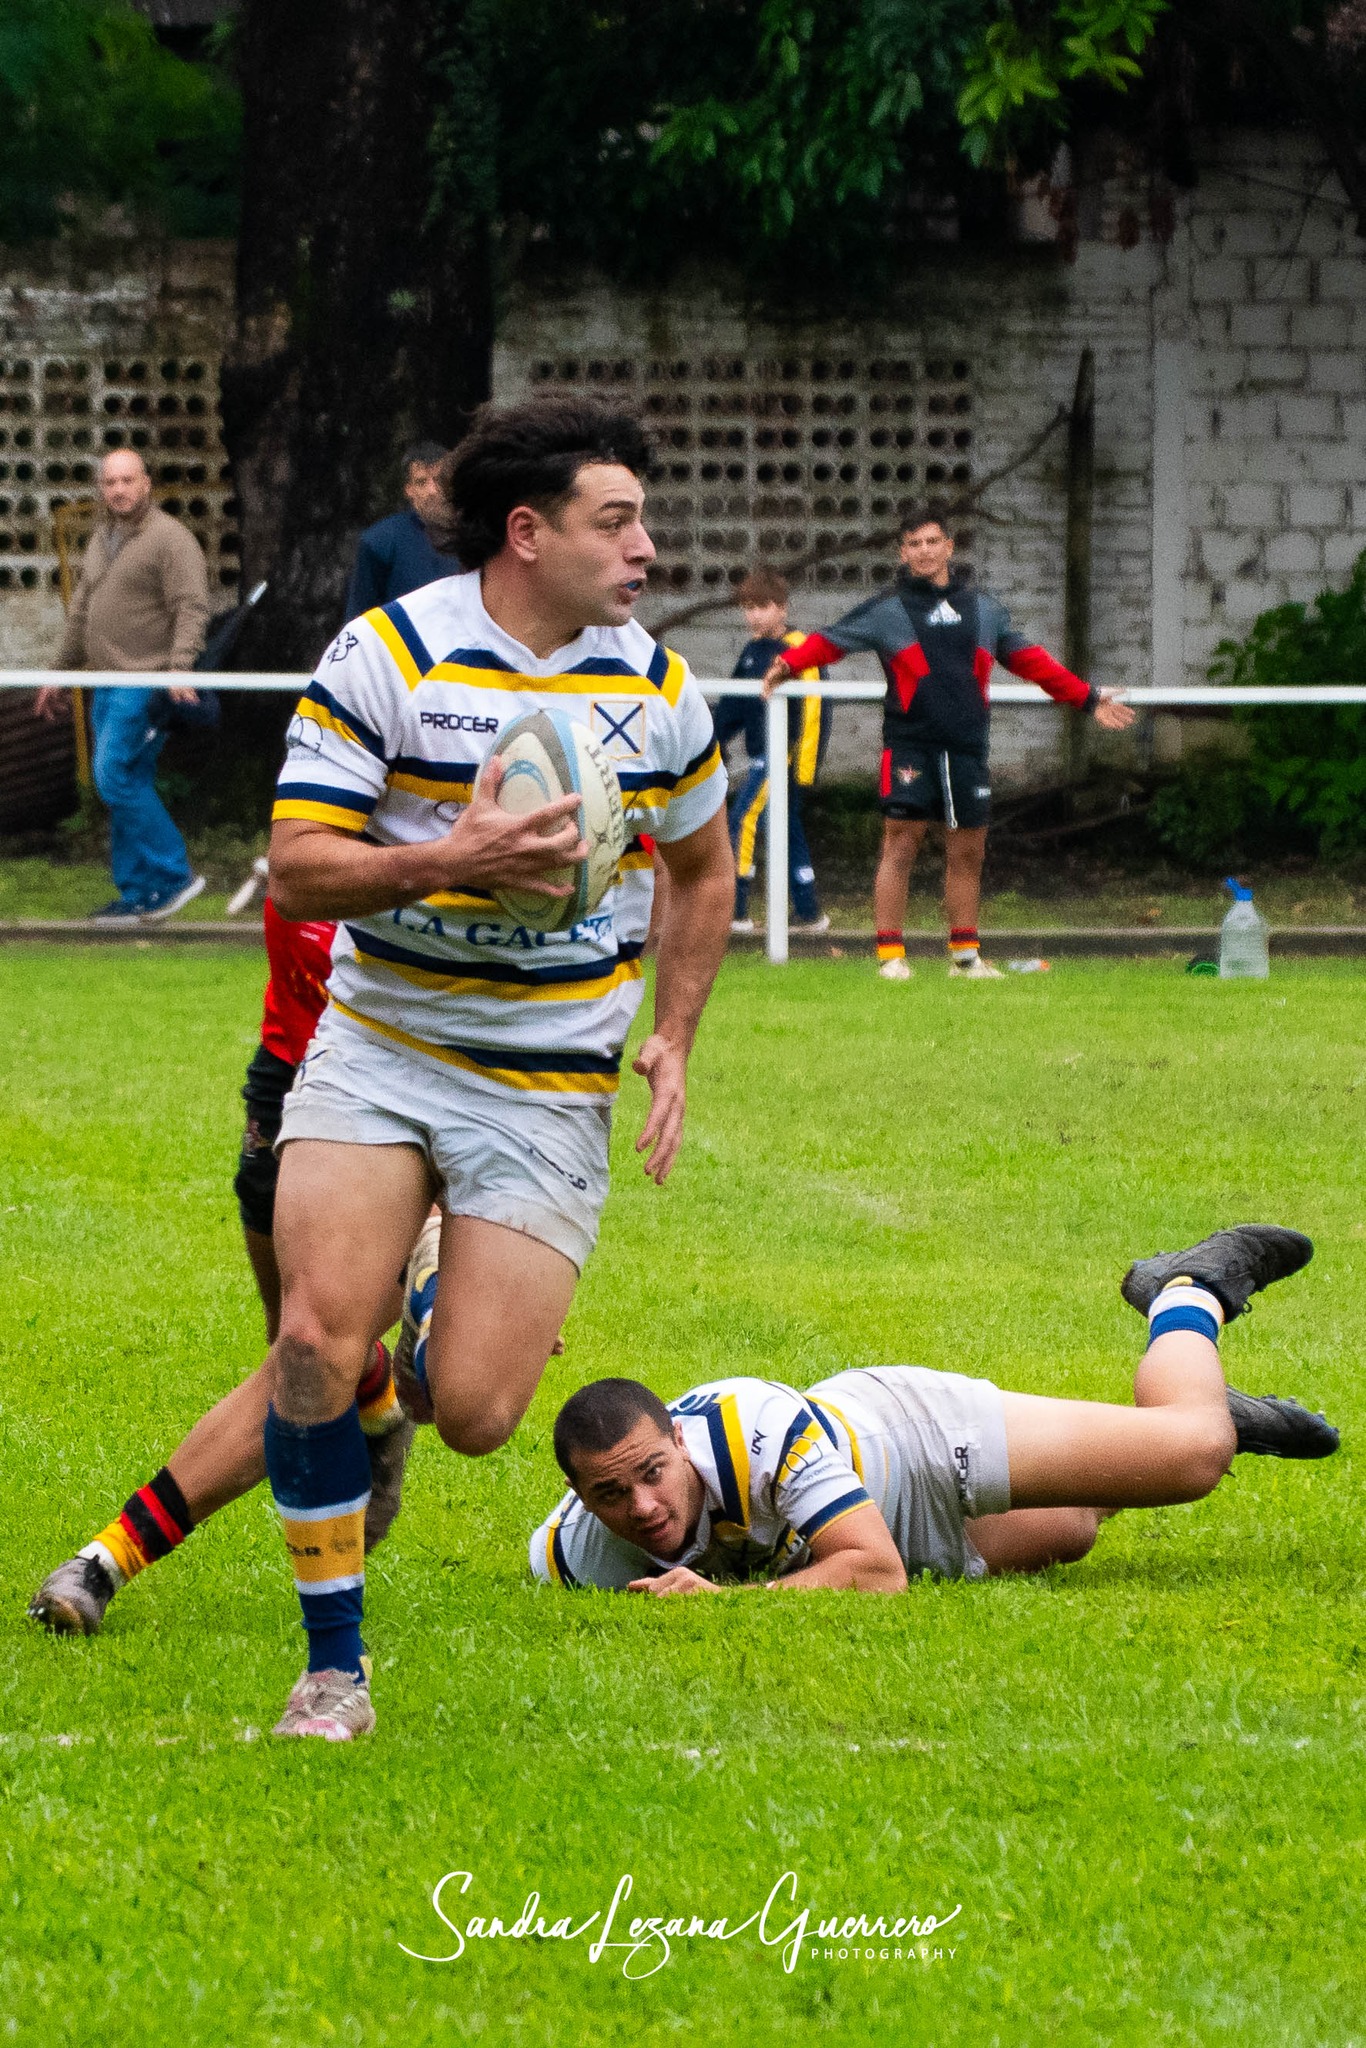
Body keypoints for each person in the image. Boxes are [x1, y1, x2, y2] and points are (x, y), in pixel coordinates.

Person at [256, 393, 732, 1738]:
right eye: (617, 520)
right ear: (528, 533)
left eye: (643, 519)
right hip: (387, 1042)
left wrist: (676, 1039)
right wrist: (445, 860)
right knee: (306, 1345)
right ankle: (332, 1666)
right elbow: (296, 867)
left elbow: (703, 869)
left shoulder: (651, 682)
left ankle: (413, 1343)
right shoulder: (387, 652)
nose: (646, 547)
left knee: (470, 1411)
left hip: (545, 1080)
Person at [531, 1226, 1338, 1594]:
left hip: (915, 1441)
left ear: (678, 1440)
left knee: (1192, 1456)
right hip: (901, 1533)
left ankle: (1184, 1294)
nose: (641, 1507)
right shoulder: (577, 1551)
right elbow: (543, 1556)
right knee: (1077, 1527)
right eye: (609, 1495)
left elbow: (874, 1574)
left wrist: (722, 1610)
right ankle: (1203, 1406)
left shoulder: (760, 1434)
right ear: (578, 1495)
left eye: (652, 1474)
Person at [27, 900, 416, 1639]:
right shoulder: (324, 798)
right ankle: (375, 1400)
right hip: (290, 1075)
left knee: (297, 1366)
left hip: (407, 1098)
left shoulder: (479, 810)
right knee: (302, 1357)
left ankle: (103, 1563)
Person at [763, 509, 1135, 981]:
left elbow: (1032, 661)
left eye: (932, 541)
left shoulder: (984, 610)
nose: (924, 550)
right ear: (902, 552)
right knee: (899, 845)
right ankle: (891, 957)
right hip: (909, 746)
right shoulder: (887, 609)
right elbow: (828, 642)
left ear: (949, 547)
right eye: (914, 543)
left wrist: (1087, 697)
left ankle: (965, 957)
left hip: (966, 747)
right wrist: (785, 665)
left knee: (968, 852)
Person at [34, 448, 211, 921]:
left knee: (112, 775)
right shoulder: (100, 539)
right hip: (104, 681)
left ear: (146, 484)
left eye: (127, 480)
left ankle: (174, 875)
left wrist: (179, 666)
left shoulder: (171, 540)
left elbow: (192, 605)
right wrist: (56, 673)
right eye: (110, 482)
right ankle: (139, 893)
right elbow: (82, 614)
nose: (118, 490)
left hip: (146, 680)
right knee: (124, 780)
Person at [715, 568, 830, 937]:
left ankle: (736, 912)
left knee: (742, 819)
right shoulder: (752, 651)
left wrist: (804, 767)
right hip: (761, 756)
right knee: (785, 828)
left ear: (781, 608)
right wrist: (713, 741)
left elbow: (815, 711)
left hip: (783, 758)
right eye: (748, 608)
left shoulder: (798, 648)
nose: (755, 615)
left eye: (763, 607)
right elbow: (734, 705)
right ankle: (810, 914)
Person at [344, 441, 455, 617]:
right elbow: (359, 620)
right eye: (421, 482)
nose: (432, 490)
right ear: (408, 489)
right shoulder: (380, 542)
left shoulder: (479, 537)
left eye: (439, 480)